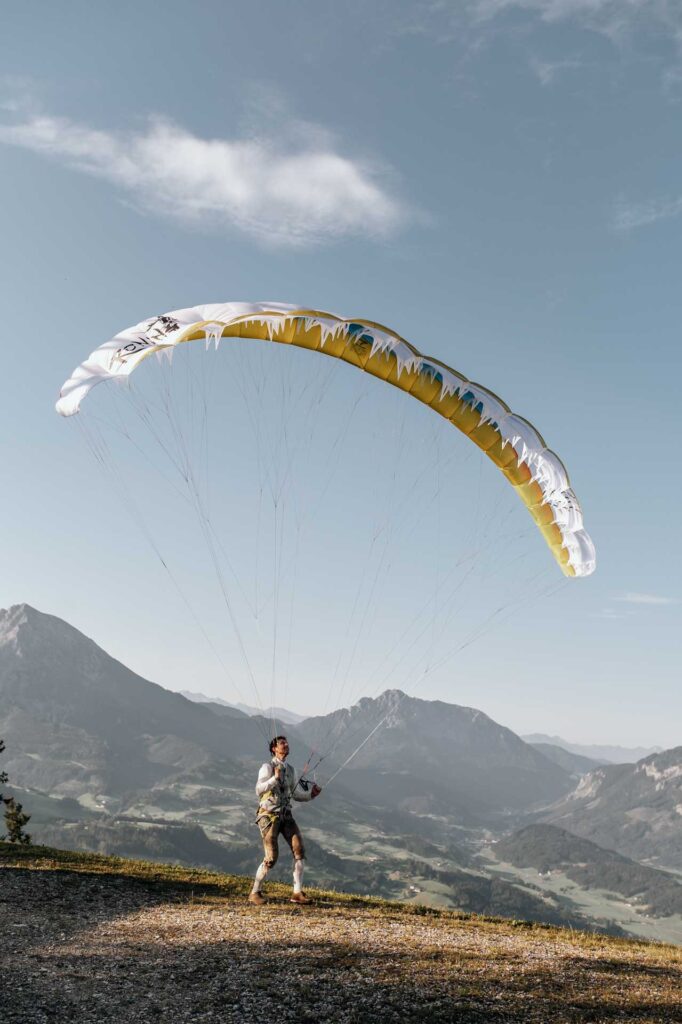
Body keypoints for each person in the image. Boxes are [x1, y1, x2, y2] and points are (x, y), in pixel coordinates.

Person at [249, 735, 321, 905]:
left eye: (287, 742)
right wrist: (274, 778)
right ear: (274, 748)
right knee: (271, 857)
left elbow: (296, 795)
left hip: (286, 815)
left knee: (299, 850)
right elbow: (258, 790)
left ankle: (297, 893)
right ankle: (255, 892)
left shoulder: (291, 770)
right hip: (269, 816)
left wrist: (311, 795)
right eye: (282, 743)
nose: (286, 745)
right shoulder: (267, 767)